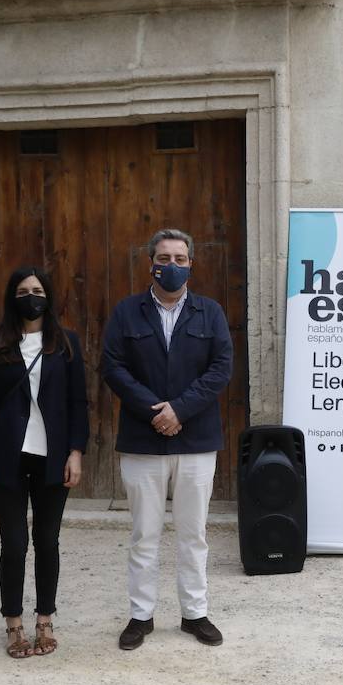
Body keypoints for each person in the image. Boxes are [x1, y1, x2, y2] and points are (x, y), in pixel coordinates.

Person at [103, 228, 233, 649]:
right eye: (164, 258)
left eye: (180, 259)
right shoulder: (127, 313)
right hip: (143, 441)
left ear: (191, 264)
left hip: (196, 442)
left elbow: (221, 369)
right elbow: (114, 367)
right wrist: (155, 411)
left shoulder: (209, 313)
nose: (172, 266)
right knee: (144, 534)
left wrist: (180, 410)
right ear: (150, 263)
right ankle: (141, 616)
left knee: (193, 533)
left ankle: (194, 614)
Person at [0, 266, 89, 659]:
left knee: (47, 541)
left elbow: (77, 404)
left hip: (53, 456)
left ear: (48, 296)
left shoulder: (66, 343)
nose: (31, 296)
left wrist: (76, 451)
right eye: (23, 290)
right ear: (11, 296)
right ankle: (14, 624)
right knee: (15, 543)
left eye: (37, 290)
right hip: (6, 455)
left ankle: (45, 620)